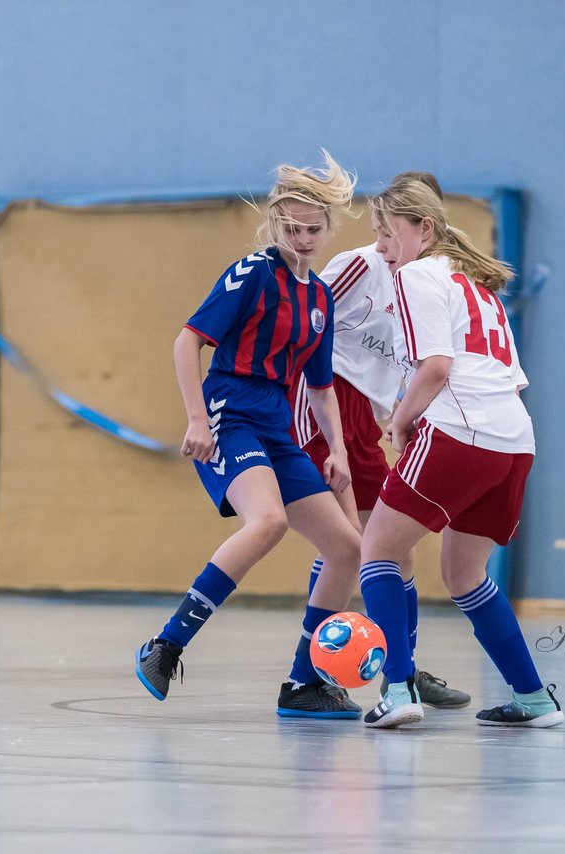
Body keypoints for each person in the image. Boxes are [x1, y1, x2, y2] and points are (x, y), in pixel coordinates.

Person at [134, 151, 366, 718]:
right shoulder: (252, 273)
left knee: (346, 548)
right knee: (267, 522)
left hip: (277, 422)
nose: (303, 238)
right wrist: (195, 418)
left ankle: (303, 682)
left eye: (313, 229)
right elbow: (187, 340)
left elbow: (320, 385)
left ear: (328, 229)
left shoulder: (320, 299)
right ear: (274, 221)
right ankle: (165, 645)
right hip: (230, 408)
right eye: (292, 227)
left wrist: (336, 449)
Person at [354, 176, 563, 729]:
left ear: (422, 229)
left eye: (386, 233)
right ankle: (535, 700)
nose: (380, 247)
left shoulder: (417, 275)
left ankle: (398, 693)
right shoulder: (476, 283)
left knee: (376, 549)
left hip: (458, 433)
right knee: (465, 575)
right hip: (514, 442)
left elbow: (438, 368)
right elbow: (503, 377)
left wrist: (399, 422)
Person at [290, 172, 470, 710]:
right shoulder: (361, 265)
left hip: (367, 416)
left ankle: (403, 668)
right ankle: (304, 679)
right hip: (324, 402)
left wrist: (398, 411)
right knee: (346, 543)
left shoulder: (433, 282)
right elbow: (305, 317)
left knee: (394, 549)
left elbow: (408, 359)